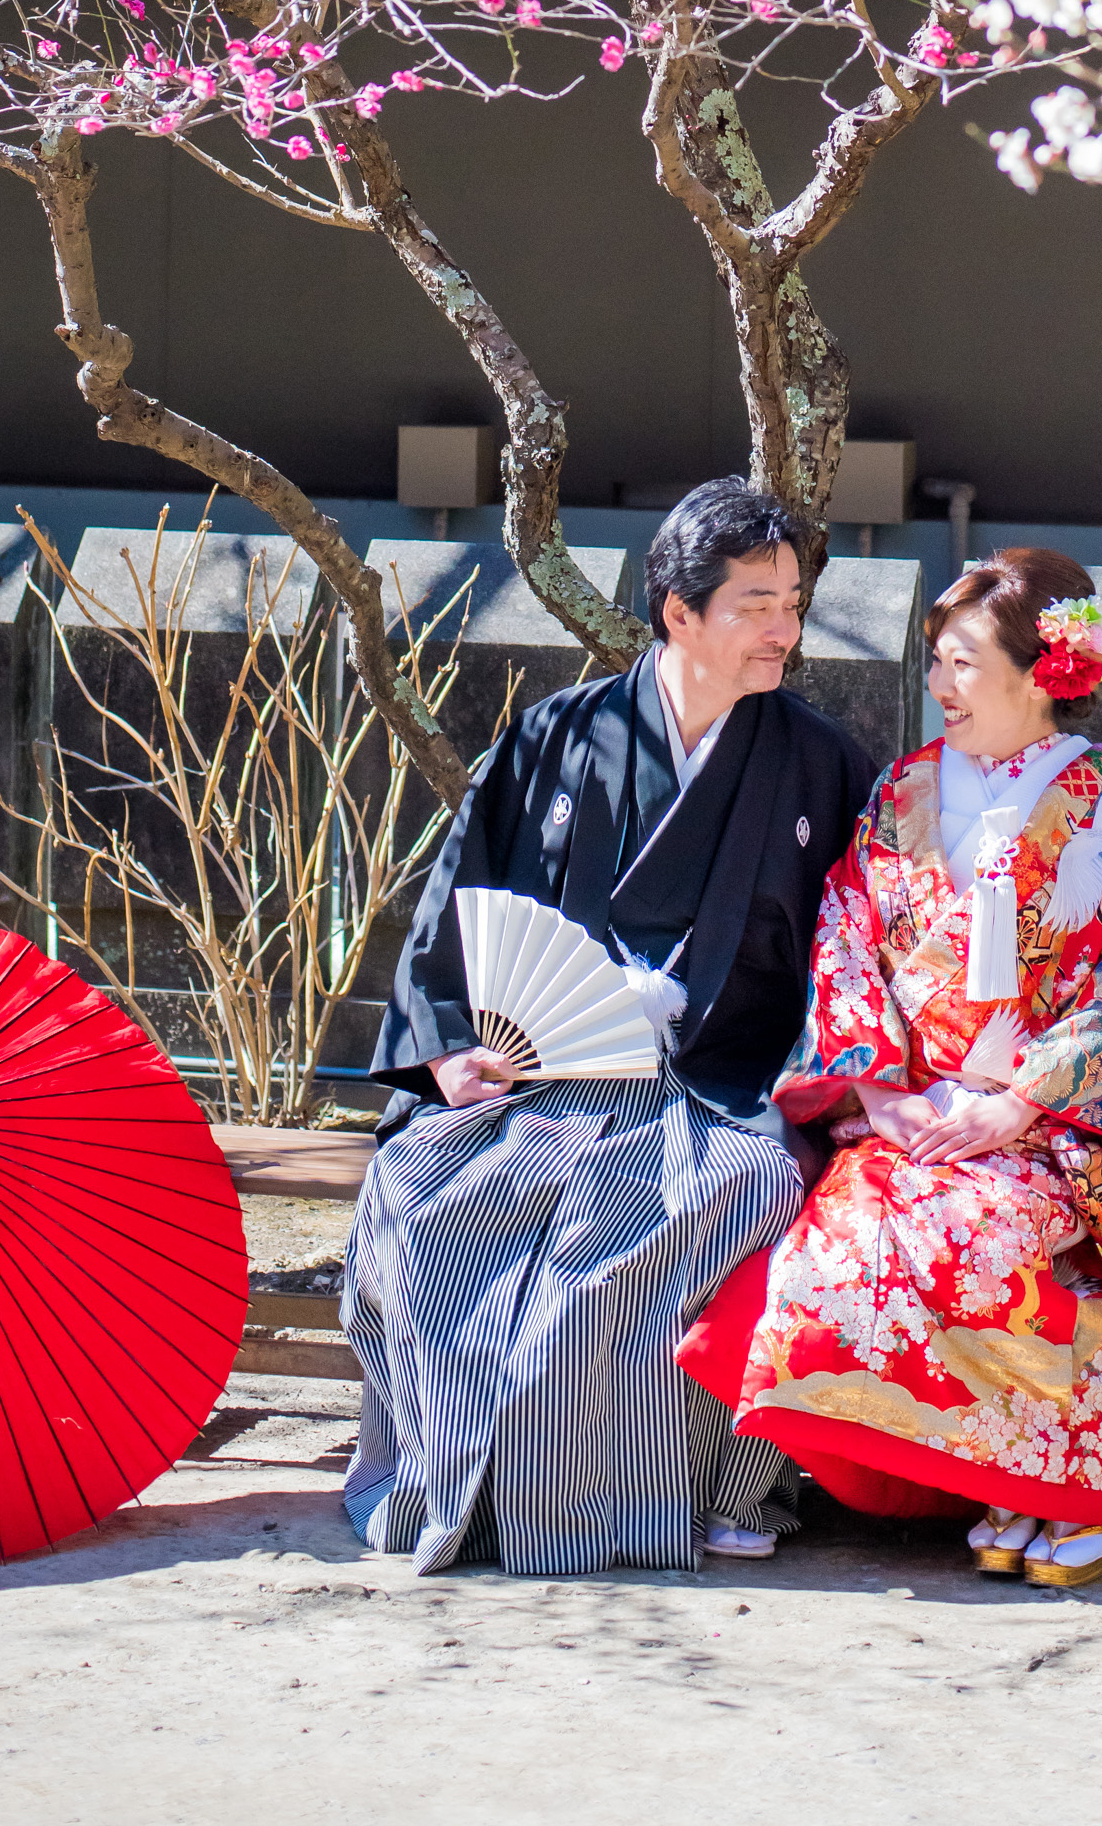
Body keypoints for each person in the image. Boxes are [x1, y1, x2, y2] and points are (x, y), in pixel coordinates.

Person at [341, 475, 874, 1578]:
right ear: (679, 611)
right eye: (757, 605)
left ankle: (691, 1491)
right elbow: (454, 902)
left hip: (715, 1085)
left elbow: (855, 956)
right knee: (417, 1195)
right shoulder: (558, 736)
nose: (784, 629)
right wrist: (447, 1049)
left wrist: (812, 1083)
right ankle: (467, 1488)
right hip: (540, 1076)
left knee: (743, 1194)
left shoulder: (821, 764)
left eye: (793, 603)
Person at [677, 545, 1102, 1589]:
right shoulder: (903, 787)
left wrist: (1018, 1105)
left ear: (1042, 671)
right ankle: (978, 1480)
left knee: (979, 1241)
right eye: (937, 660)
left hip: (1041, 1126)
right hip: (908, 1112)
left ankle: (1058, 1484)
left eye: (963, 663)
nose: (941, 684)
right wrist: (879, 1090)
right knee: (839, 1246)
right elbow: (844, 931)